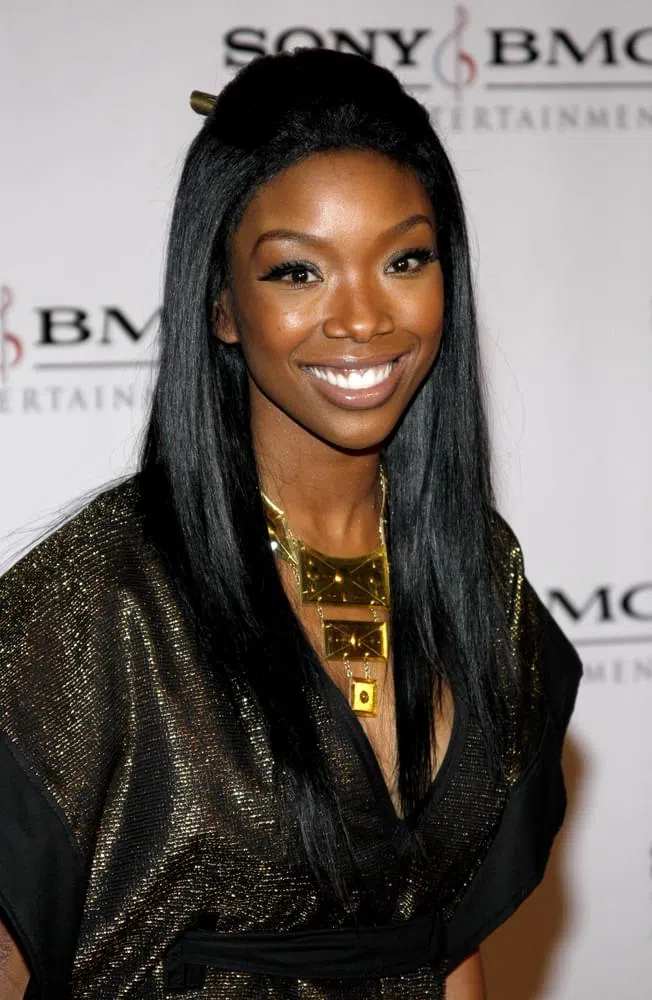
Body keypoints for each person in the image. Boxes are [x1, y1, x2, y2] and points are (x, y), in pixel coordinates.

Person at [0, 48, 581, 1000]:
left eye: (404, 259)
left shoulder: (481, 577)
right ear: (223, 306)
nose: (362, 318)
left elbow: (445, 943)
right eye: (299, 271)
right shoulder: (100, 607)